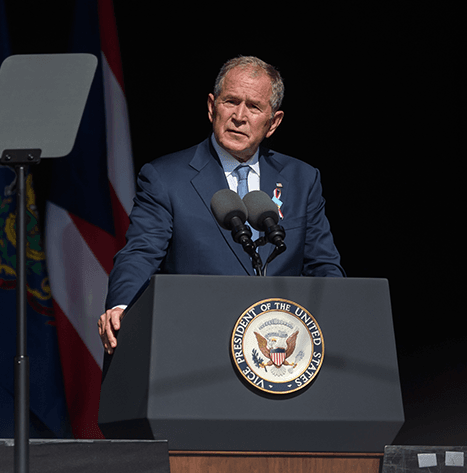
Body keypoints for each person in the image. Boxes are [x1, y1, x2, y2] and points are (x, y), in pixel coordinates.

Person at [98, 56, 345, 354]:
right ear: (212, 106)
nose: (239, 116)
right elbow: (141, 253)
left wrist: (337, 317)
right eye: (231, 102)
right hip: (196, 343)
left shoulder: (302, 179)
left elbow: (324, 266)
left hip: (280, 350)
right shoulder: (165, 178)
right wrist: (122, 306)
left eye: (254, 107)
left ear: (273, 122)